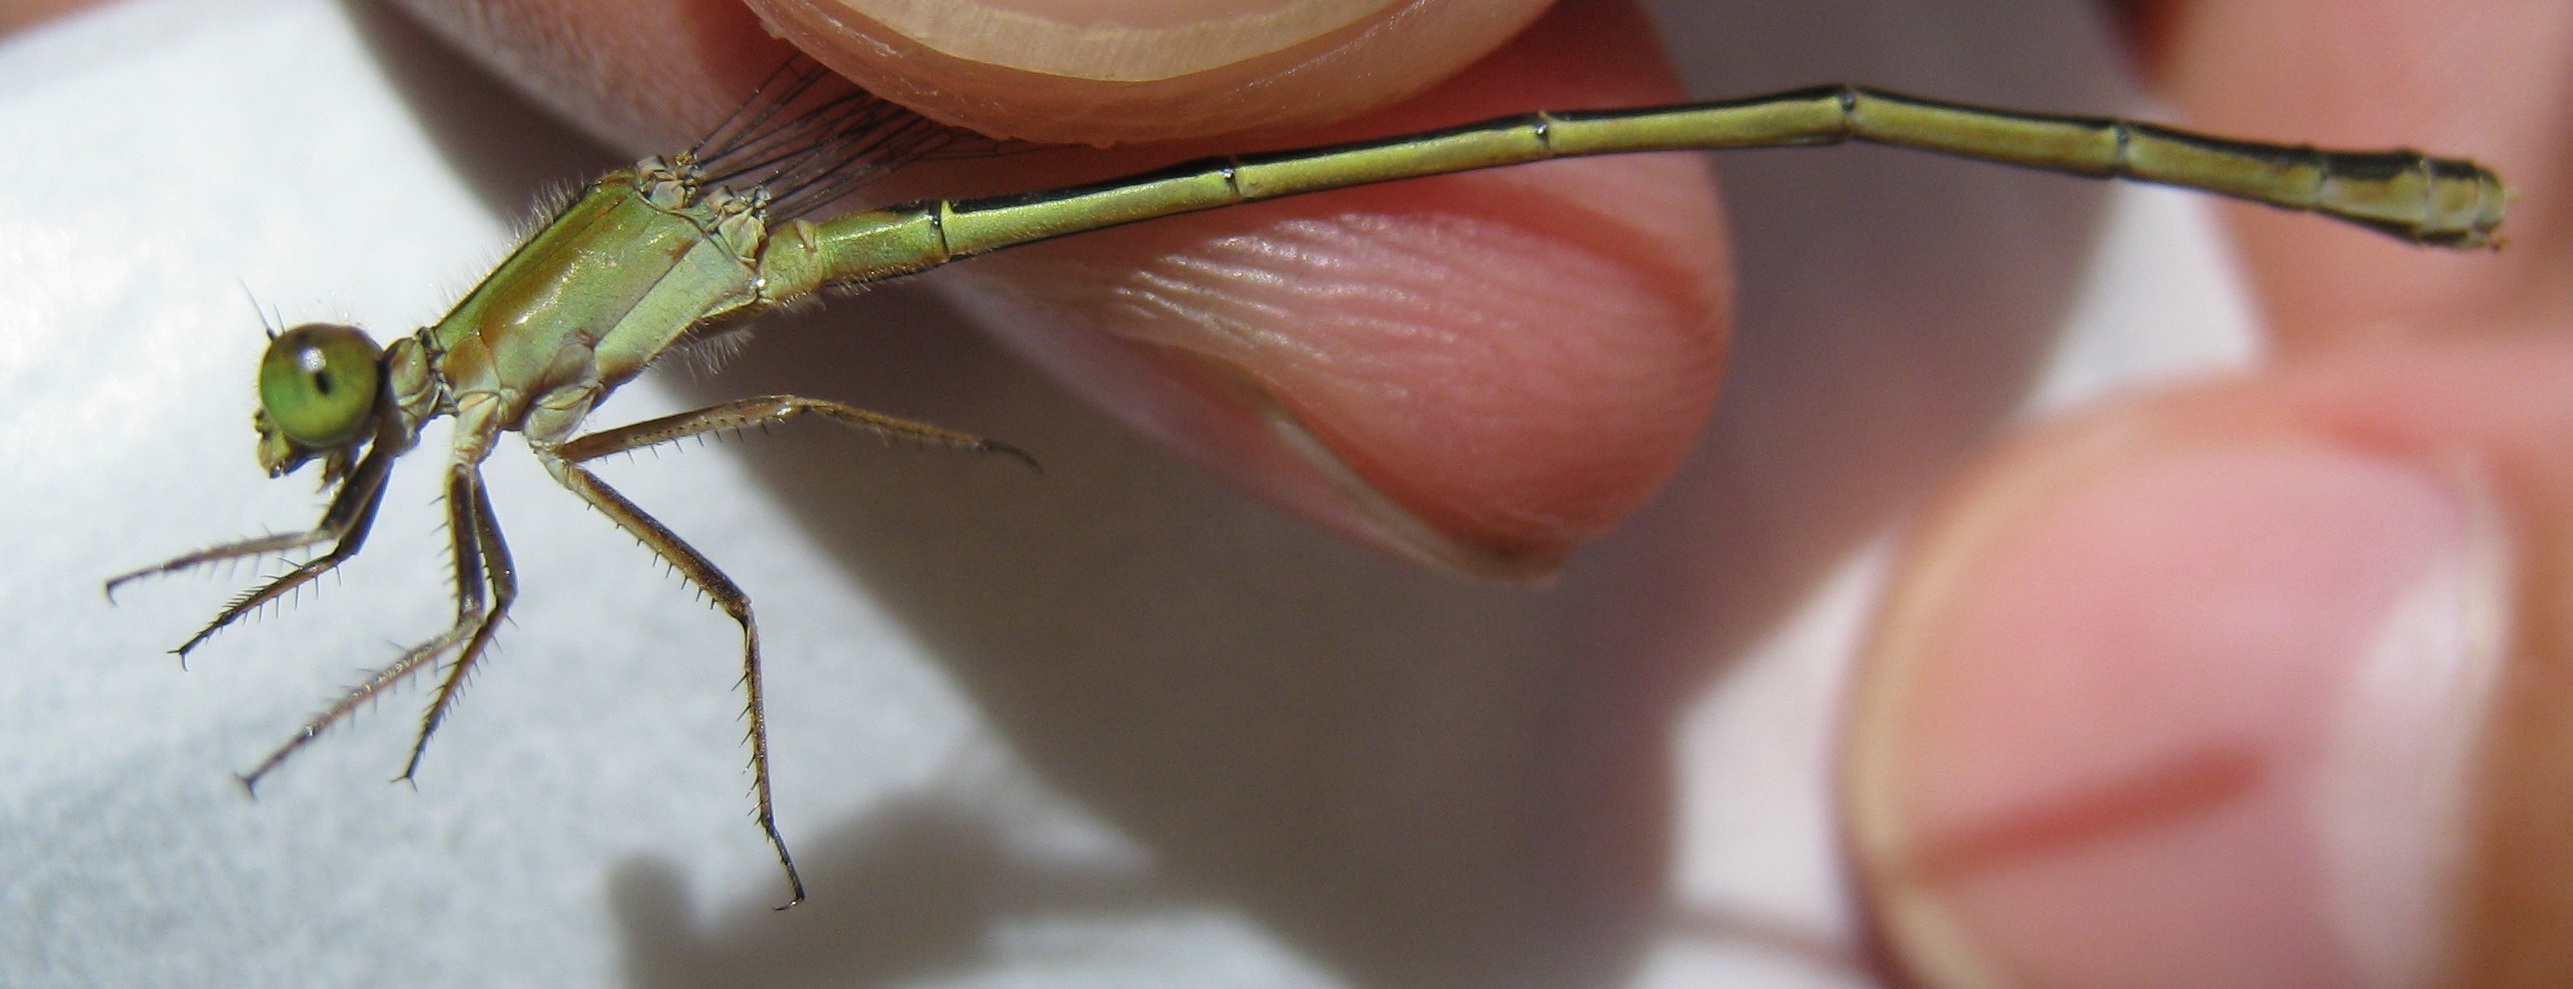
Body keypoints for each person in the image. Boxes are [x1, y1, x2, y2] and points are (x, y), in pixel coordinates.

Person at [41, 0, 2573, 984]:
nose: (349, 430)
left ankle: (2353, 182)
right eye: (336, 425)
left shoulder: (491, 371)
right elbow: (549, 507)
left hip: (871, 193)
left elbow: (530, 574)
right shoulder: (471, 382)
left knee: (1800, 105)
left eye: (341, 418)